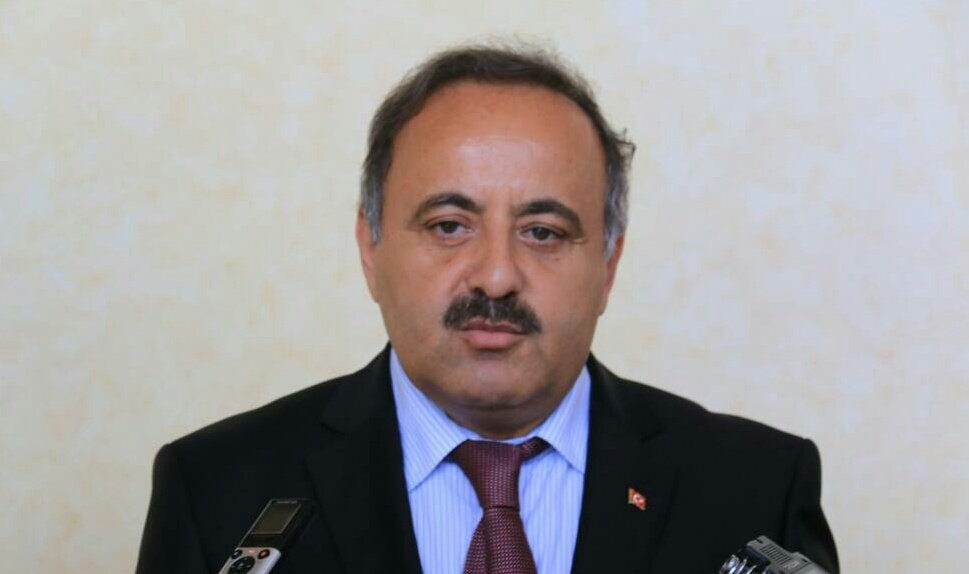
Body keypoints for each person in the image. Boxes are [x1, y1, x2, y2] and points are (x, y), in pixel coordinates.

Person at [136, 44, 839, 574]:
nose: (497, 277)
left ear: (608, 266)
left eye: (543, 232)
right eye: (448, 225)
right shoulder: (218, 491)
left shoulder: (754, 490)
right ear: (369, 249)